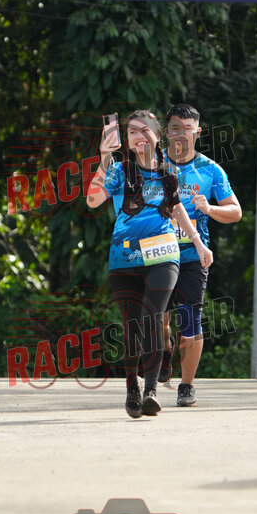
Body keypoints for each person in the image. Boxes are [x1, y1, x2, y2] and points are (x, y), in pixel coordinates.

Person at [86, 110, 212, 418]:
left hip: (164, 254)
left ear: (157, 135)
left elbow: (177, 207)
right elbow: (93, 200)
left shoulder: (169, 172)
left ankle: (151, 391)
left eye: (145, 130)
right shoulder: (119, 171)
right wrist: (104, 156)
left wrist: (197, 242)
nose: (139, 136)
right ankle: (132, 384)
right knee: (132, 325)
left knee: (152, 316)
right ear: (127, 140)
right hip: (125, 257)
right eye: (132, 132)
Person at [159, 104, 242, 406]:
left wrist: (209, 208)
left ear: (198, 132)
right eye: (175, 128)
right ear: (166, 132)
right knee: (158, 321)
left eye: (188, 128)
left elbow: (235, 212)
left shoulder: (210, 170)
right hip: (157, 254)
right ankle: (164, 351)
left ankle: (186, 385)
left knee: (190, 321)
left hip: (193, 256)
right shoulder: (152, 167)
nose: (181, 134)